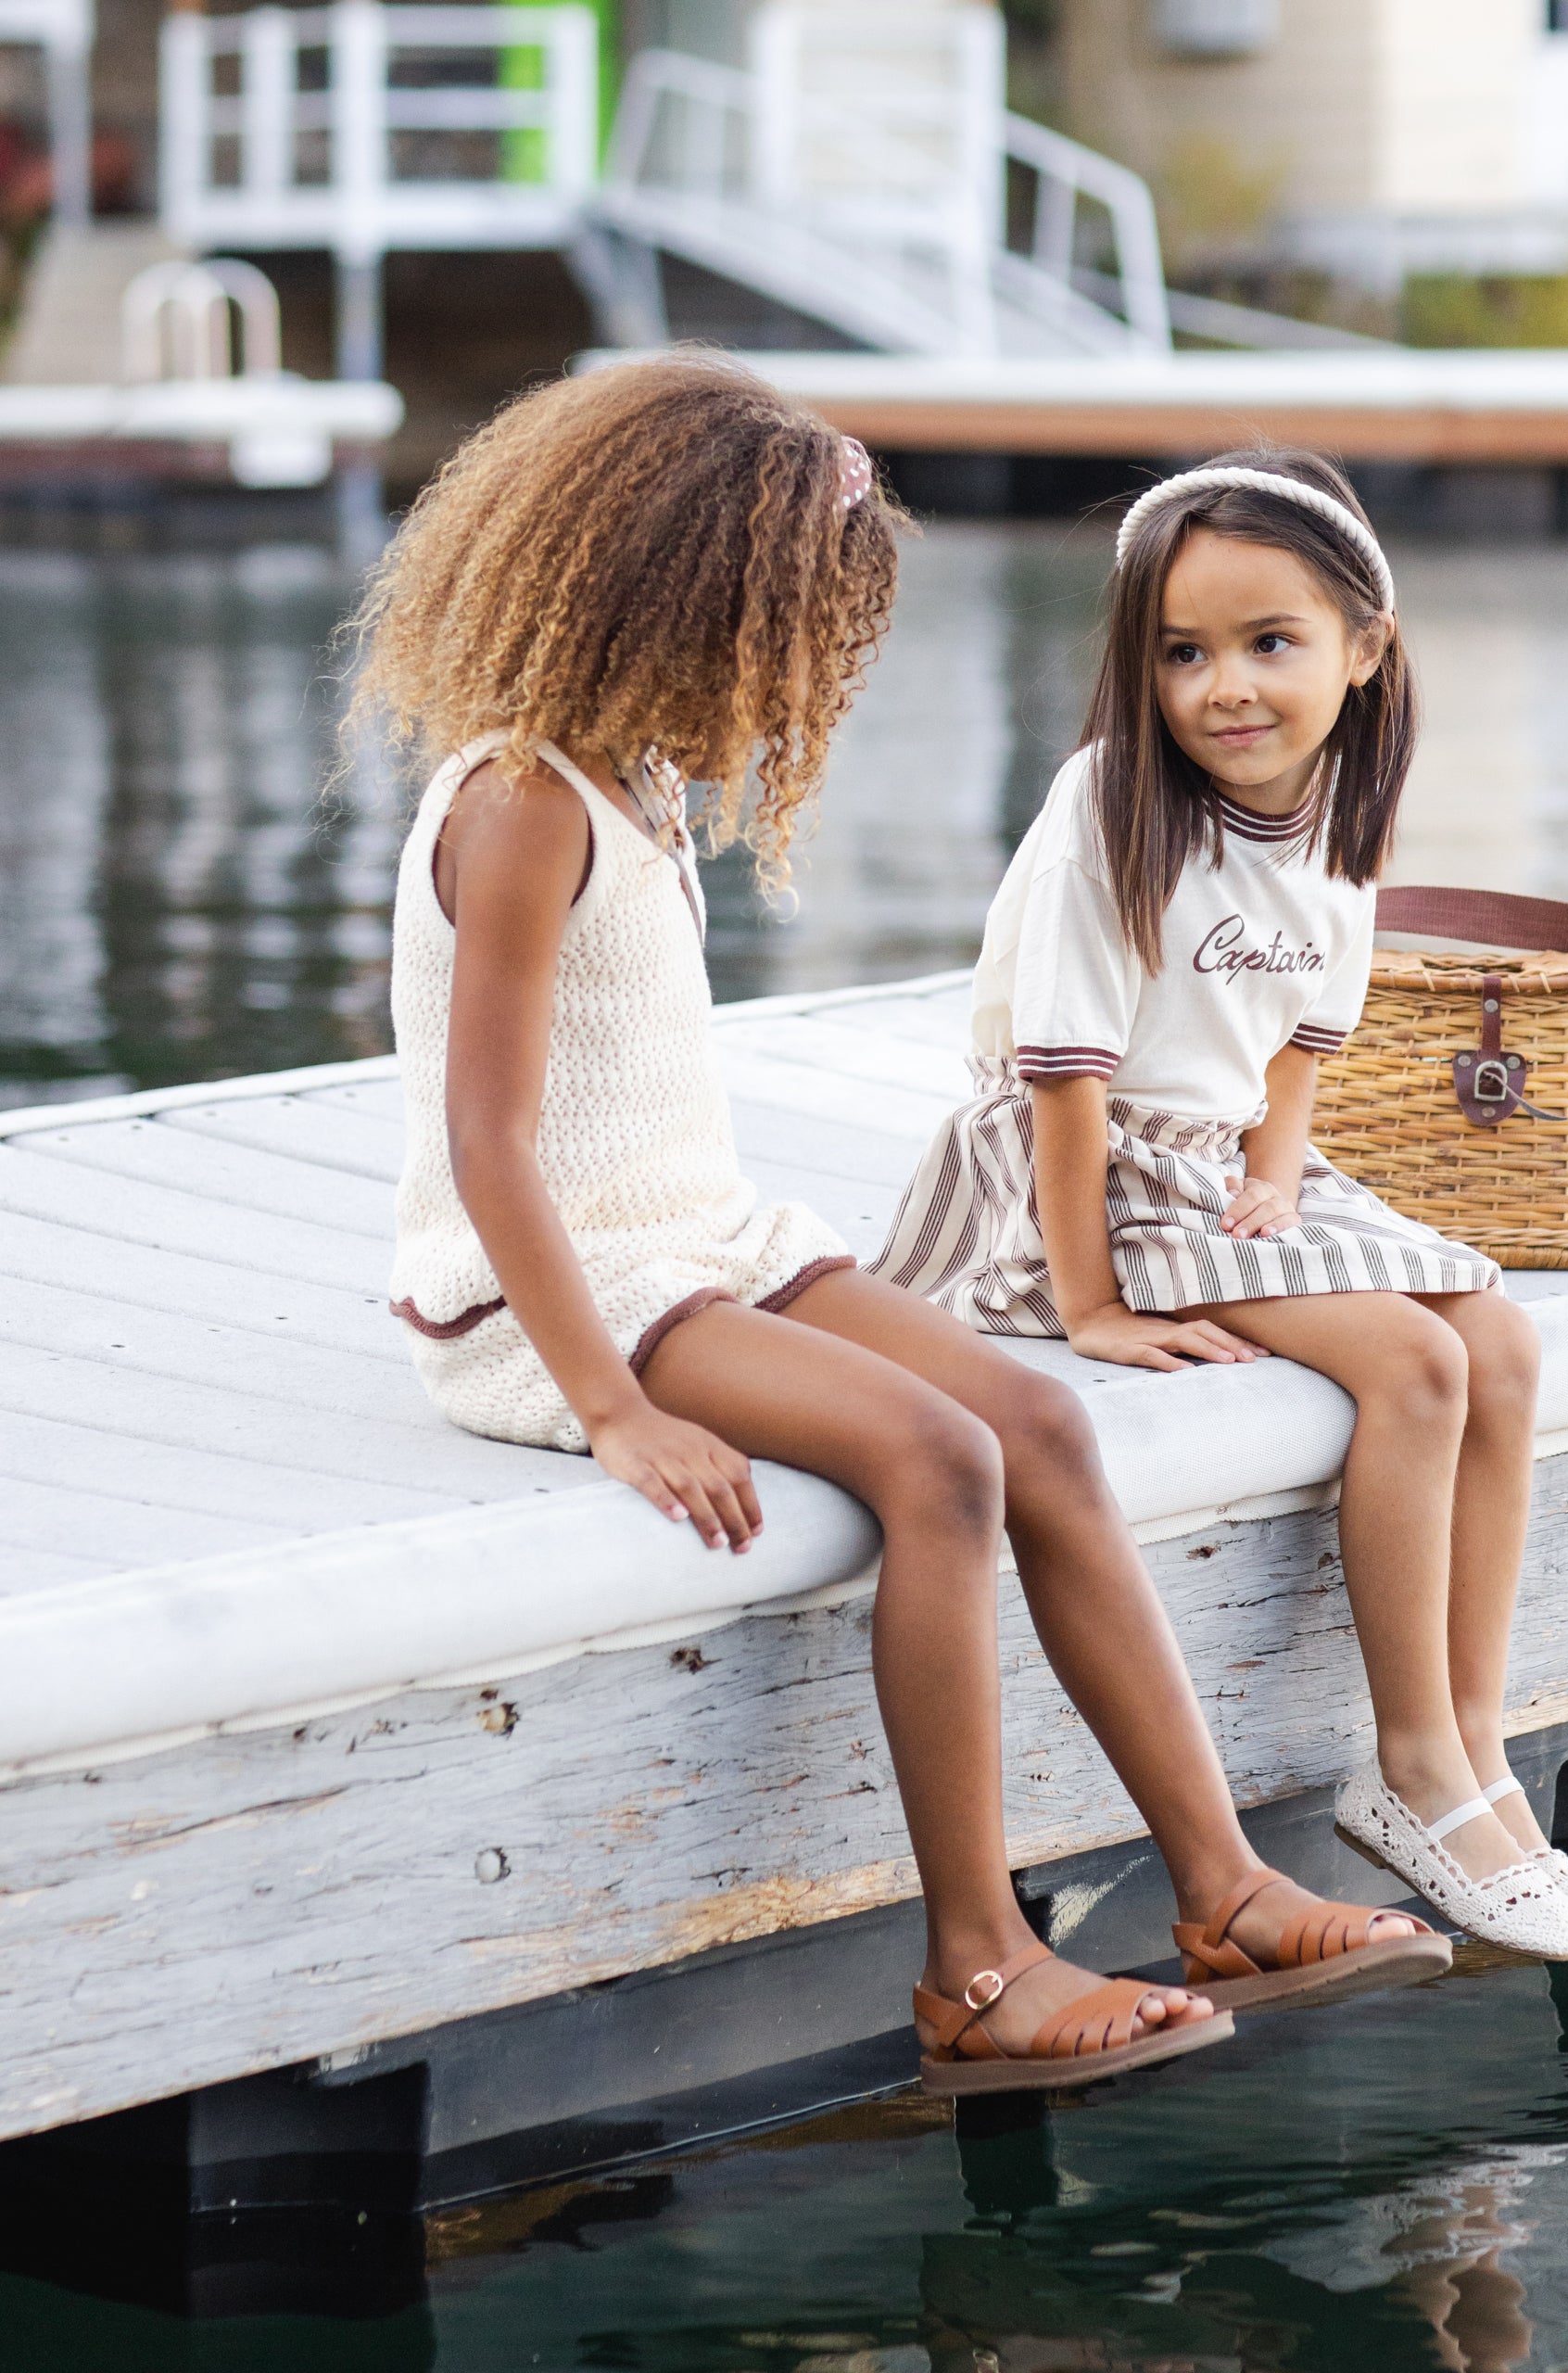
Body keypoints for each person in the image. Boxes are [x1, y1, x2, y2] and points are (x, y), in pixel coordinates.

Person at [352, 362, 1450, 2099]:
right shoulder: (523, 802)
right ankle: (978, 1964)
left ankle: (1226, 1889)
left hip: (700, 1237)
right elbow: (489, 1150)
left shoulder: (632, 779)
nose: (797, 678)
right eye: (781, 636)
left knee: (1039, 1423)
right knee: (939, 1460)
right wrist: (615, 1407)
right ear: (665, 598)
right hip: (547, 1295)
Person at [869, 447, 1568, 1960]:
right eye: (1182, 652)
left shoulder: (1341, 810)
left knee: (1501, 1338)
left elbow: (1298, 1047)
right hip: (1082, 1169)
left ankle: (1474, 1745)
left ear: (1364, 646)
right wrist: (1090, 1302)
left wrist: (1280, 1175)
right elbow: (1064, 1081)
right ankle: (1409, 1763)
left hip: (1222, 1160)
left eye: (1270, 643)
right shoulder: (1111, 802)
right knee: (1413, 1364)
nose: (1224, 688)